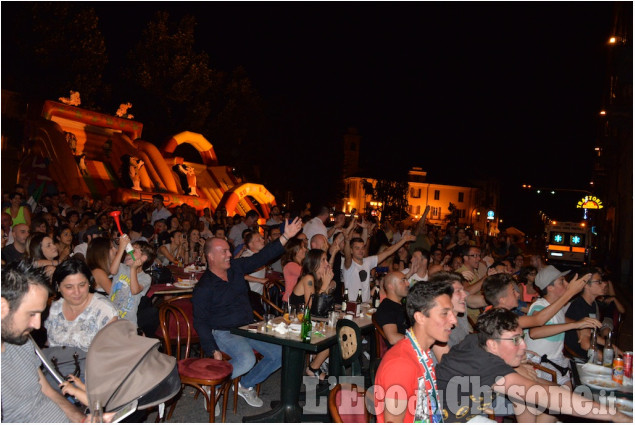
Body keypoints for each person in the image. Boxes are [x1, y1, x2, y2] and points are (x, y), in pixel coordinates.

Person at [435, 308, 630, 423]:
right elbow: (544, 395)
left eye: (521, 337)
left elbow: (538, 390)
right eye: (515, 340)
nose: (524, 345)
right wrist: (615, 416)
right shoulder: (487, 364)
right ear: (493, 344)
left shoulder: (477, 340)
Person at [192, 217, 302, 408]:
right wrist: (212, 350)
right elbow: (200, 321)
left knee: (280, 353)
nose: (229, 254)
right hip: (223, 332)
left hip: (248, 327)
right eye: (224, 251)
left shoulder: (236, 267)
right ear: (211, 257)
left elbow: (262, 256)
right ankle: (213, 386)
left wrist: (285, 236)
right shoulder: (204, 287)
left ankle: (245, 385)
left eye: (228, 250)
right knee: (246, 359)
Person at [1, 261, 88, 422]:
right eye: (32, 314)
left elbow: (46, 390)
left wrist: (82, 420)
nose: (37, 325)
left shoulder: (21, 340)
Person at [374, 280, 457, 422]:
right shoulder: (401, 365)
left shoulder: (422, 353)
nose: (454, 320)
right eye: (444, 314)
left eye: (452, 313)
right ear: (420, 317)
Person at [525, 265, 602, 386]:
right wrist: (575, 325)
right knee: (570, 391)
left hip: (556, 359)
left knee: (588, 377)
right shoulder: (539, 305)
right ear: (550, 288)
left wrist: (579, 326)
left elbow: (560, 319)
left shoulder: (556, 306)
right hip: (540, 362)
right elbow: (534, 332)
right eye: (562, 281)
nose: (566, 284)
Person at [45, 257, 118, 352]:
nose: (77, 292)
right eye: (69, 287)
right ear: (58, 287)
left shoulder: (105, 312)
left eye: (82, 285)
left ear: (89, 283)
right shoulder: (53, 307)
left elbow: (112, 353)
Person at [482, 272, 589, 330]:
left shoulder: (503, 314)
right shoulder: (498, 318)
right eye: (513, 292)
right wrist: (570, 293)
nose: (518, 294)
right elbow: (538, 320)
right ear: (502, 300)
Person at [290, 249, 334, 380]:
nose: (327, 263)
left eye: (326, 259)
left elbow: (321, 309)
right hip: (297, 324)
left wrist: (328, 284)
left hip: (310, 322)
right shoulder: (308, 278)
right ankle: (313, 368)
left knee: (337, 331)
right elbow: (312, 307)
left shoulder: (317, 279)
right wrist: (326, 285)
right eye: (323, 260)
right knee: (333, 338)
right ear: (314, 263)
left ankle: (318, 363)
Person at [343, 224, 416, 303]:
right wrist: (347, 241)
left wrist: (404, 240)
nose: (361, 251)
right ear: (351, 250)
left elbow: (388, 252)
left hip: (366, 304)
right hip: (351, 304)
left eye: (362, 248)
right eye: (357, 248)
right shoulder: (349, 264)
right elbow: (347, 256)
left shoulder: (367, 261)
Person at [565, 266, 623, 360]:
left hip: (589, 353)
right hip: (580, 357)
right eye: (599, 282)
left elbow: (591, 334)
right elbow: (585, 344)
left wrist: (614, 348)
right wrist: (610, 361)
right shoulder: (578, 306)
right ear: (586, 285)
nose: (604, 284)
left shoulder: (592, 305)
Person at [109, 238, 154, 326]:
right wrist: (121, 248)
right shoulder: (122, 267)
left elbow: (134, 290)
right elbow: (113, 271)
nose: (128, 253)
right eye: (128, 250)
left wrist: (133, 269)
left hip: (128, 321)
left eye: (133, 251)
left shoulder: (146, 277)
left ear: (143, 258)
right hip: (111, 316)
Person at [373, 271, 410, 347]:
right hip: (403, 351)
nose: (408, 284)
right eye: (403, 281)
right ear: (391, 286)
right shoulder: (387, 308)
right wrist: (418, 339)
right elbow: (392, 338)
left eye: (406, 280)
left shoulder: (403, 304)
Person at [238, 231, 268, 295]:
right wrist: (261, 280)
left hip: (258, 291)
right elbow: (241, 275)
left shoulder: (260, 255)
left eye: (262, 238)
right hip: (250, 293)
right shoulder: (247, 256)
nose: (263, 240)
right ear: (250, 244)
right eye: (258, 240)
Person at [281, 237, 307, 303]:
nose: (305, 250)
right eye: (302, 247)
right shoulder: (290, 265)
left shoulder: (300, 264)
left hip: (297, 299)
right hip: (290, 301)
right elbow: (307, 274)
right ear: (295, 250)